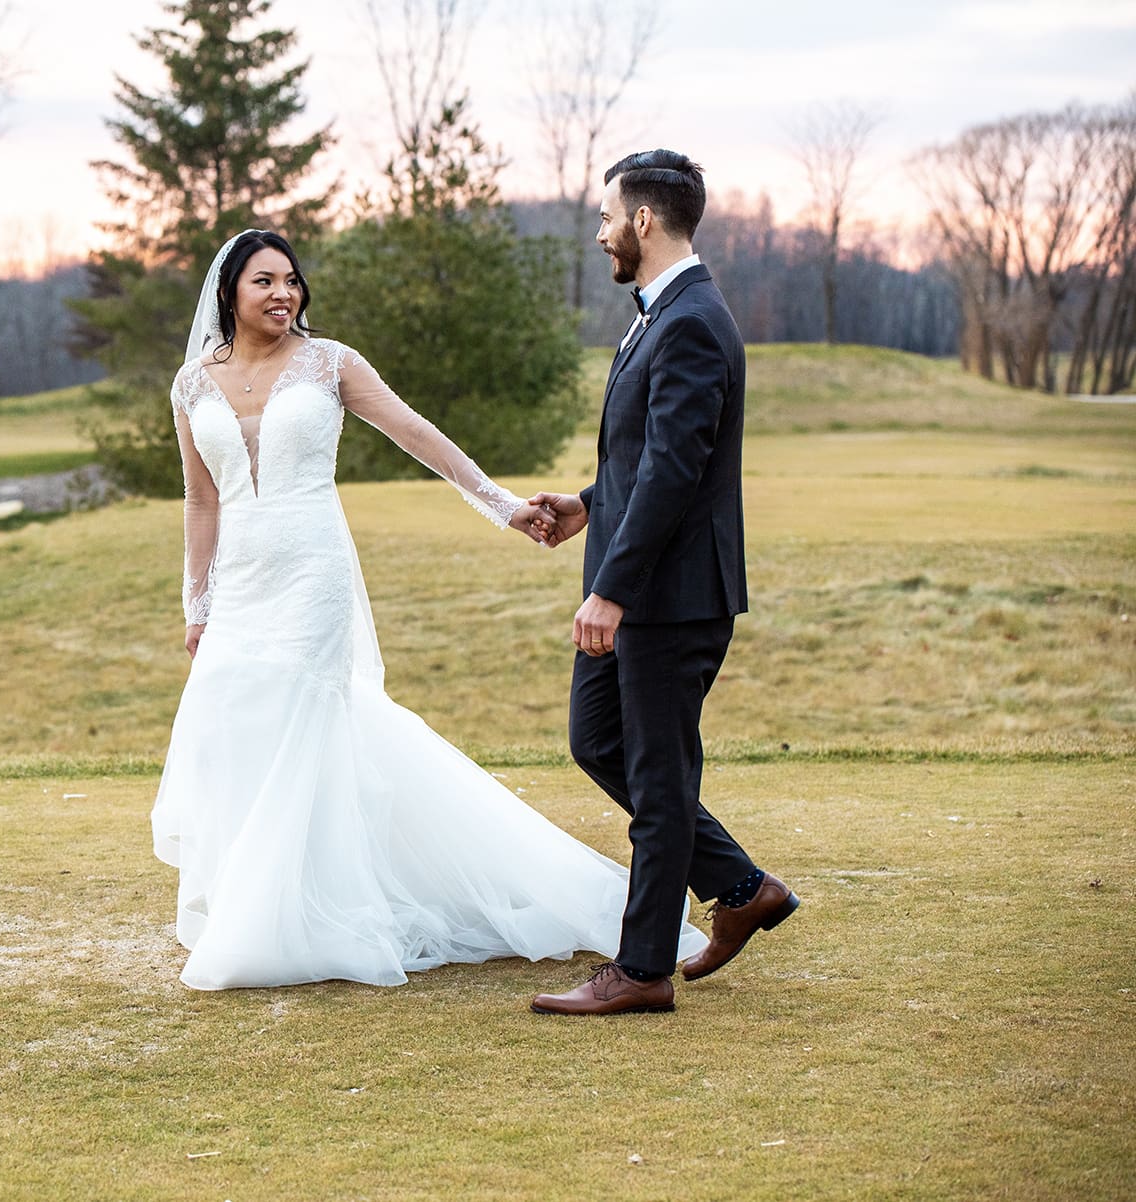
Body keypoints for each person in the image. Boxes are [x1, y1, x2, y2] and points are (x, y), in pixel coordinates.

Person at [151, 228, 709, 991]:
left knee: (300, 722)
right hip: (242, 582)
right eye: (264, 282)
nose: (284, 293)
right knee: (232, 726)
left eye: (292, 280)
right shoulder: (192, 384)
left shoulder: (330, 362)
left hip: (314, 574)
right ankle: (262, 901)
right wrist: (197, 601)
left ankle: (287, 917)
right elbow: (200, 498)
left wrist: (505, 507)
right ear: (229, 294)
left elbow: (419, 435)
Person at [526, 150, 799, 1017]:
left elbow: (677, 473)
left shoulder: (688, 319)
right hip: (643, 582)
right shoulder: (660, 312)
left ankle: (641, 970)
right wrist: (584, 501)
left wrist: (613, 588)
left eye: (607, 216)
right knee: (598, 741)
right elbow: (645, 458)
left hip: (669, 597)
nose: (600, 230)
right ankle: (742, 887)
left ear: (644, 221)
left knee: (658, 776)